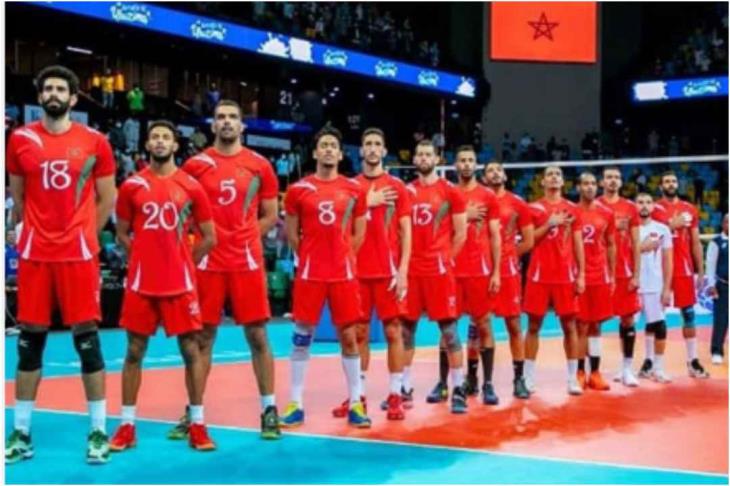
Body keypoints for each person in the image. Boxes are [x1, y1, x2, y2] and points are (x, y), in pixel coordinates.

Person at [5, 65, 117, 464]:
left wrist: (84, 235)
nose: (53, 93)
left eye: (60, 89)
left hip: (77, 254)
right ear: (40, 97)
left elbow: (107, 198)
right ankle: (21, 433)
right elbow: (19, 196)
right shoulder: (20, 139)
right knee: (29, 341)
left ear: (73, 98)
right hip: (36, 254)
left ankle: (99, 432)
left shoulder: (95, 142)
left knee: (87, 339)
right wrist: (32, 231)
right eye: (47, 88)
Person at [109, 120, 217, 452]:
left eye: (165, 137)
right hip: (142, 283)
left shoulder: (191, 186)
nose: (159, 141)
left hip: (179, 283)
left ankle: (197, 424)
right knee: (134, 352)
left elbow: (209, 237)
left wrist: (183, 260)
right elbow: (121, 233)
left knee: (191, 351)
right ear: (147, 144)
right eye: (154, 136)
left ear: (175, 145)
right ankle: (127, 426)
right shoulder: (132, 185)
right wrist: (142, 258)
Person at [177, 100, 281, 440]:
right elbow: (181, 210)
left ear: (242, 126)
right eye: (220, 117)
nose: (226, 122)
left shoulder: (260, 166)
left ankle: (269, 410)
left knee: (257, 335)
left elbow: (270, 214)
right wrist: (196, 242)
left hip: (246, 261)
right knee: (202, 337)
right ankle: (194, 412)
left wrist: (246, 236)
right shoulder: (195, 165)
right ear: (212, 125)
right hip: (208, 260)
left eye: (233, 117)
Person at [279, 126, 372, 428]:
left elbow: (359, 234)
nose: (329, 149)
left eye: (334, 145)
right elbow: (292, 235)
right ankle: (295, 403)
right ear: (316, 152)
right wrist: (311, 257)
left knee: (349, 336)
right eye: (324, 145)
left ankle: (356, 403)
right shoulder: (298, 190)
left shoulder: (354, 190)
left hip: (343, 273)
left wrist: (341, 256)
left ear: (341, 154)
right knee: (301, 337)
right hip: (311, 273)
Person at [329, 128, 412, 421]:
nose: (373, 148)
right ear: (361, 151)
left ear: (384, 151)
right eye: (368, 144)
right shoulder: (349, 187)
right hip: (357, 271)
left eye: (378, 144)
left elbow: (406, 230)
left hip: (388, 271)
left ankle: (396, 395)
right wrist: (368, 201)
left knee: (393, 331)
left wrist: (403, 269)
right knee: (359, 333)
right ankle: (357, 397)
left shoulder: (397, 187)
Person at [401, 139, 468, 414]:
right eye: (420, 154)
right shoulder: (406, 191)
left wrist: (445, 259)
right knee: (406, 331)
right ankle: (403, 387)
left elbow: (461, 233)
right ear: (414, 159)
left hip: (439, 271)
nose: (424, 158)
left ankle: (459, 389)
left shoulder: (450, 191)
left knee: (449, 332)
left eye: (429, 154)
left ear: (437, 159)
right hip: (412, 271)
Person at [523, 165, 585, 396]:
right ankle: (528, 377)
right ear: (543, 182)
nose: (554, 178)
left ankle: (572, 378)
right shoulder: (533, 208)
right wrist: (549, 224)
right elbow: (528, 241)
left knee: (570, 326)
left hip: (565, 276)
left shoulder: (573, 209)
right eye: (549, 174)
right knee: (533, 326)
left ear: (562, 181)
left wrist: (581, 274)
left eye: (557, 174)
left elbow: (578, 243)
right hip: (539, 275)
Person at [451, 146, 501, 405]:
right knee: (448, 326)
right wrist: (464, 217)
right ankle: (449, 383)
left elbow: (495, 235)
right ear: (455, 165)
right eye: (462, 160)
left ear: (476, 165)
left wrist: (496, 271)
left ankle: (487, 383)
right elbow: (438, 230)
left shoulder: (487, 196)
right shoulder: (447, 193)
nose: (467, 164)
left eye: (471, 160)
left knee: (483, 324)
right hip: (452, 269)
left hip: (480, 270)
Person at [652, 171, 710, 378]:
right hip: (660, 268)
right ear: (661, 186)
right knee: (656, 316)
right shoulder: (654, 209)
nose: (671, 184)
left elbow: (695, 242)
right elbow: (649, 236)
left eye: (673, 181)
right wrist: (670, 225)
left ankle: (693, 361)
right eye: (667, 181)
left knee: (689, 314)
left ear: (678, 184)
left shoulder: (689, 209)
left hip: (684, 268)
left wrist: (700, 271)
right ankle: (653, 363)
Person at [483, 161, 533, 399]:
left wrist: (509, 256)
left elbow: (529, 241)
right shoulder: (478, 200)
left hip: (508, 272)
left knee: (514, 325)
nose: (495, 173)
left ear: (504, 175)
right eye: (490, 170)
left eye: (498, 170)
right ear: (484, 178)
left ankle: (519, 379)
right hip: (481, 269)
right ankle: (479, 380)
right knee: (480, 325)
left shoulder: (518, 203)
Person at [598, 167, 642, 387]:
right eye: (609, 177)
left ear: (621, 182)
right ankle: (592, 371)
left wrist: (636, 274)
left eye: (616, 177)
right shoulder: (594, 206)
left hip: (624, 272)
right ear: (602, 182)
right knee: (591, 322)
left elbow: (636, 243)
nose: (613, 181)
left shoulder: (630, 208)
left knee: (628, 319)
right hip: (599, 271)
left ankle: (626, 369)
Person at [575, 173, 616, 391]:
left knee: (596, 324)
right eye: (585, 183)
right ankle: (580, 372)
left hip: (600, 275)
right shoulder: (572, 212)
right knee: (581, 324)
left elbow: (611, 244)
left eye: (592, 183)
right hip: (579, 276)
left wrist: (612, 274)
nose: (590, 187)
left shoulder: (606, 213)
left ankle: (596, 373)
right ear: (578, 187)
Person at [636, 193, 674, 383]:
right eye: (640, 202)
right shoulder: (628, 229)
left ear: (653, 207)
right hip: (632, 284)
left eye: (648, 202)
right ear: (634, 206)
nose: (644, 206)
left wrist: (667, 288)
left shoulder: (662, 229)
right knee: (626, 325)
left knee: (658, 325)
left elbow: (668, 260)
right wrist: (641, 248)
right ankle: (625, 368)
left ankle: (657, 367)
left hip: (654, 285)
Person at [707, 214, 728, 364]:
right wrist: (711, 285)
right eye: (727, 222)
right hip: (723, 285)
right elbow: (710, 265)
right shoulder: (716, 242)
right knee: (721, 320)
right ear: (722, 224)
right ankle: (716, 351)